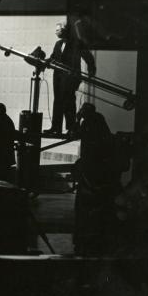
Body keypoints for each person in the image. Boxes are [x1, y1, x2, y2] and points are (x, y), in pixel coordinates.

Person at [73, 103, 121, 255]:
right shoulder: (99, 120)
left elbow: (77, 134)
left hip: (92, 166)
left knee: (88, 204)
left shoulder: (90, 122)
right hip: (95, 166)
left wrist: (77, 118)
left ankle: (87, 238)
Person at [48, 20, 96, 135]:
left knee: (68, 101)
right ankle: (56, 127)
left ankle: (71, 128)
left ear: (65, 30)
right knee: (58, 101)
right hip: (58, 77)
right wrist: (46, 62)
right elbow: (53, 57)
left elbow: (88, 57)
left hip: (71, 77)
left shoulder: (77, 43)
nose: (56, 33)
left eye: (58, 30)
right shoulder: (58, 44)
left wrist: (91, 70)